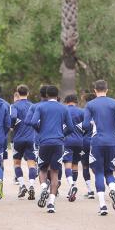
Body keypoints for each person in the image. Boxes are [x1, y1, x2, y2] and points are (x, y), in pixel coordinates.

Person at [29, 85, 74, 213]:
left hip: (44, 142)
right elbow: (71, 128)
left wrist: (40, 131)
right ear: (57, 95)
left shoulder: (40, 107)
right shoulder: (63, 108)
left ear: (47, 95)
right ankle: (51, 204)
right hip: (58, 143)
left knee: (42, 169)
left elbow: (32, 122)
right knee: (54, 172)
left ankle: (44, 187)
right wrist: (61, 135)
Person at [82, 80, 115, 215]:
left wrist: (93, 123)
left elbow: (85, 125)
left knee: (98, 172)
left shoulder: (90, 104)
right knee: (109, 172)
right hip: (112, 142)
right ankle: (112, 190)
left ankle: (103, 205)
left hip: (97, 142)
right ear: (107, 90)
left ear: (94, 90)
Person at [10, 85, 37, 200]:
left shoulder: (14, 105)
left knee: (17, 163)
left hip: (18, 139)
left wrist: (12, 125)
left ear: (18, 93)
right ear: (28, 93)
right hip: (31, 138)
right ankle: (31, 185)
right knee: (31, 163)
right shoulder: (33, 106)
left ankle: (22, 185)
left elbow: (13, 116)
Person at [63, 94, 84, 202]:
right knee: (75, 165)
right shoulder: (82, 111)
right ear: (76, 101)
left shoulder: (63, 110)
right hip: (80, 141)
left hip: (67, 141)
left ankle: (72, 186)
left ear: (66, 101)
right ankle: (72, 187)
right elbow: (87, 126)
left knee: (67, 164)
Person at [78, 93, 95, 199]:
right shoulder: (101, 112)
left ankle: (90, 191)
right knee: (100, 167)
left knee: (85, 166)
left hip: (85, 142)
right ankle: (112, 184)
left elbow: (81, 127)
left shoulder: (84, 112)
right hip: (98, 142)